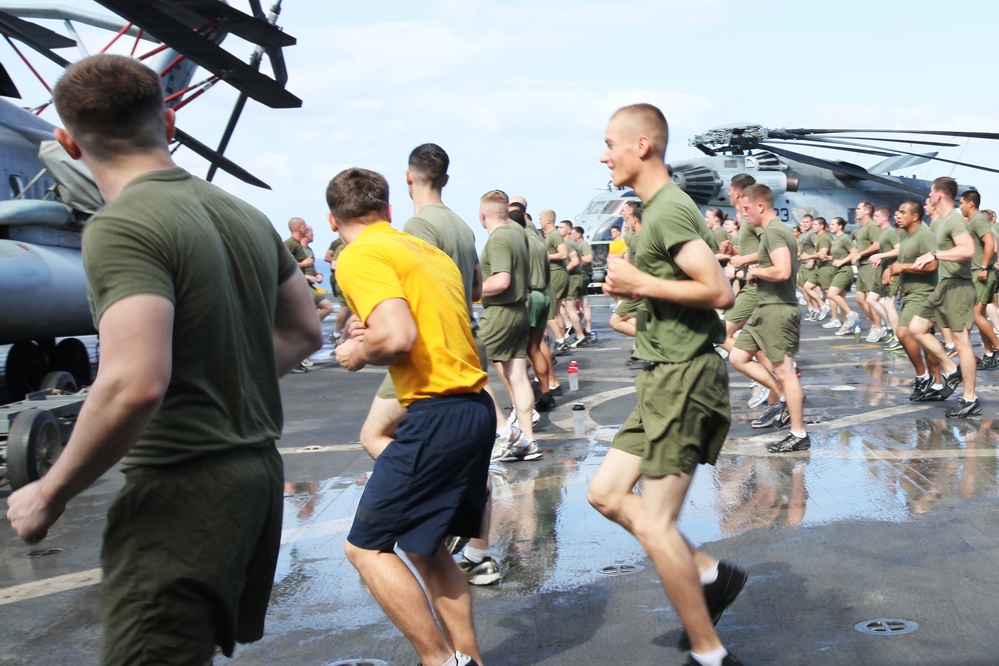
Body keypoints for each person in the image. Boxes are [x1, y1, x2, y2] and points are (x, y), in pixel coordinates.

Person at [6, 54, 323, 664]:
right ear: (170, 122)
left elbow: (133, 384)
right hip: (253, 477)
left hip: (183, 485)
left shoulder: (122, 224)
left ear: (68, 142)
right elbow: (305, 330)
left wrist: (50, 492)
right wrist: (222, 375)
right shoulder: (244, 214)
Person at [586, 103, 745, 666]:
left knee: (655, 524)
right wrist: (635, 290)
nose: (604, 154)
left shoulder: (670, 210)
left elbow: (719, 292)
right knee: (605, 494)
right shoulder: (656, 212)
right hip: (659, 378)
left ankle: (710, 654)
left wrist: (639, 280)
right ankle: (707, 572)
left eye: (611, 143)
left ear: (642, 146)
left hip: (684, 379)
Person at [330, 167, 493, 666]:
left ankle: (441, 661)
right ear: (388, 210)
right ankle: (469, 660)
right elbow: (432, 318)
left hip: (436, 412)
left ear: (334, 221)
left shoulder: (359, 254)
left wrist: (358, 353)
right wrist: (371, 329)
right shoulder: (426, 251)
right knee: (425, 548)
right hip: (475, 409)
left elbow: (398, 336)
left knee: (366, 548)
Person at [356, 143, 506, 587]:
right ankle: (476, 547)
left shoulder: (417, 226)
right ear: (446, 177)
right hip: (467, 343)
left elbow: (411, 294)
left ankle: (437, 516)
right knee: (465, 459)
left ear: (408, 178)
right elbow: (477, 287)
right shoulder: (461, 225)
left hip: (429, 352)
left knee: (373, 435)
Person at [730, 184, 810, 453]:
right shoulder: (771, 233)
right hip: (764, 308)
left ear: (760, 206)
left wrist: (756, 271)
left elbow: (783, 271)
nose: (745, 215)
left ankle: (798, 433)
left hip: (778, 309)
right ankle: (783, 394)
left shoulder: (775, 232)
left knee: (786, 372)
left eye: (747, 209)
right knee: (738, 356)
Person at [909, 177, 981, 417]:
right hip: (944, 286)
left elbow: (968, 250)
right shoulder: (940, 222)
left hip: (959, 287)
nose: (928, 196)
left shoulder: (955, 220)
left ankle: (969, 398)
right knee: (916, 328)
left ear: (939, 195)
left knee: (963, 344)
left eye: (931, 192)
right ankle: (951, 369)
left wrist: (934, 254)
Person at [881, 201, 941, 399]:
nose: (897, 215)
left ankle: (923, 376)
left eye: (902, 212)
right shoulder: (906, 236)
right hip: (910, 294)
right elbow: (904, 262)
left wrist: (902, 268)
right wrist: (891, 270)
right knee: (925, 341)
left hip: (923, 293)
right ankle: (937, 384)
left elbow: (933, 266)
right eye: (897, 211)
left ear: (915, 216)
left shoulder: (925, 235)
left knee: (903, 332)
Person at [958, 190, 999, 370]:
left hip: (981, 273)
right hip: (975, 272)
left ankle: (997, 349)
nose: (960, 207)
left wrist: (983, 266)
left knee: (976, 315)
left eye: (961, 203)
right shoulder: (972, 221)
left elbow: (990, 243)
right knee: (979, 315)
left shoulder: (979, 220)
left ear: (970, 203)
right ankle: (989, 353)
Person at [853, 202, 889, 340]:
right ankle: (876, 325)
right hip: (862, 266)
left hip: (870, 265)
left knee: (871, 298)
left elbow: (877, 244)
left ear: (867, 211)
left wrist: (861, 254)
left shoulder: (872, 226)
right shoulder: (861, 228)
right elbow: (858, 247)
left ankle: (879, 327)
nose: (856, 211)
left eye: (859, 208)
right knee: (860, 299)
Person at [827, 217, 860, 335]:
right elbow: (840, 255)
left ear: (840, 226)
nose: (830, 226)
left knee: (831, 294)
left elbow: (853, 252)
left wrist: (841, 262)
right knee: (840, 298)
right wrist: (829, 258)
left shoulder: (845, 238)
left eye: (833, 224)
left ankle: (851, 314)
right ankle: (846, 324)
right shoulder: (837, 239)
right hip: (838, 270)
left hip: (844, 271)